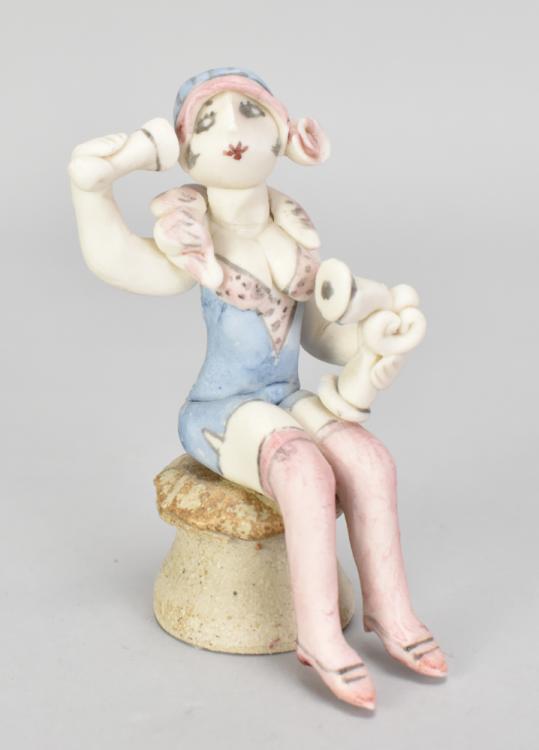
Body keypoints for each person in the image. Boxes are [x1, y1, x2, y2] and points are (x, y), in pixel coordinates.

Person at [69, 67, 447, 710]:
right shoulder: (195, 238)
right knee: (303, 469)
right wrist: (91, 189)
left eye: (250, 113)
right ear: (185, 151)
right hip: (221, 409)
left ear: (283, 132)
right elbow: (119, 261)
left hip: (283, 397)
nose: (234, 134)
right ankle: (319, 634)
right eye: (208, 122)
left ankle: (390, 608)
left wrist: (373, 344)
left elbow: (322, 337)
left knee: (370, 460)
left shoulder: (294, 233)